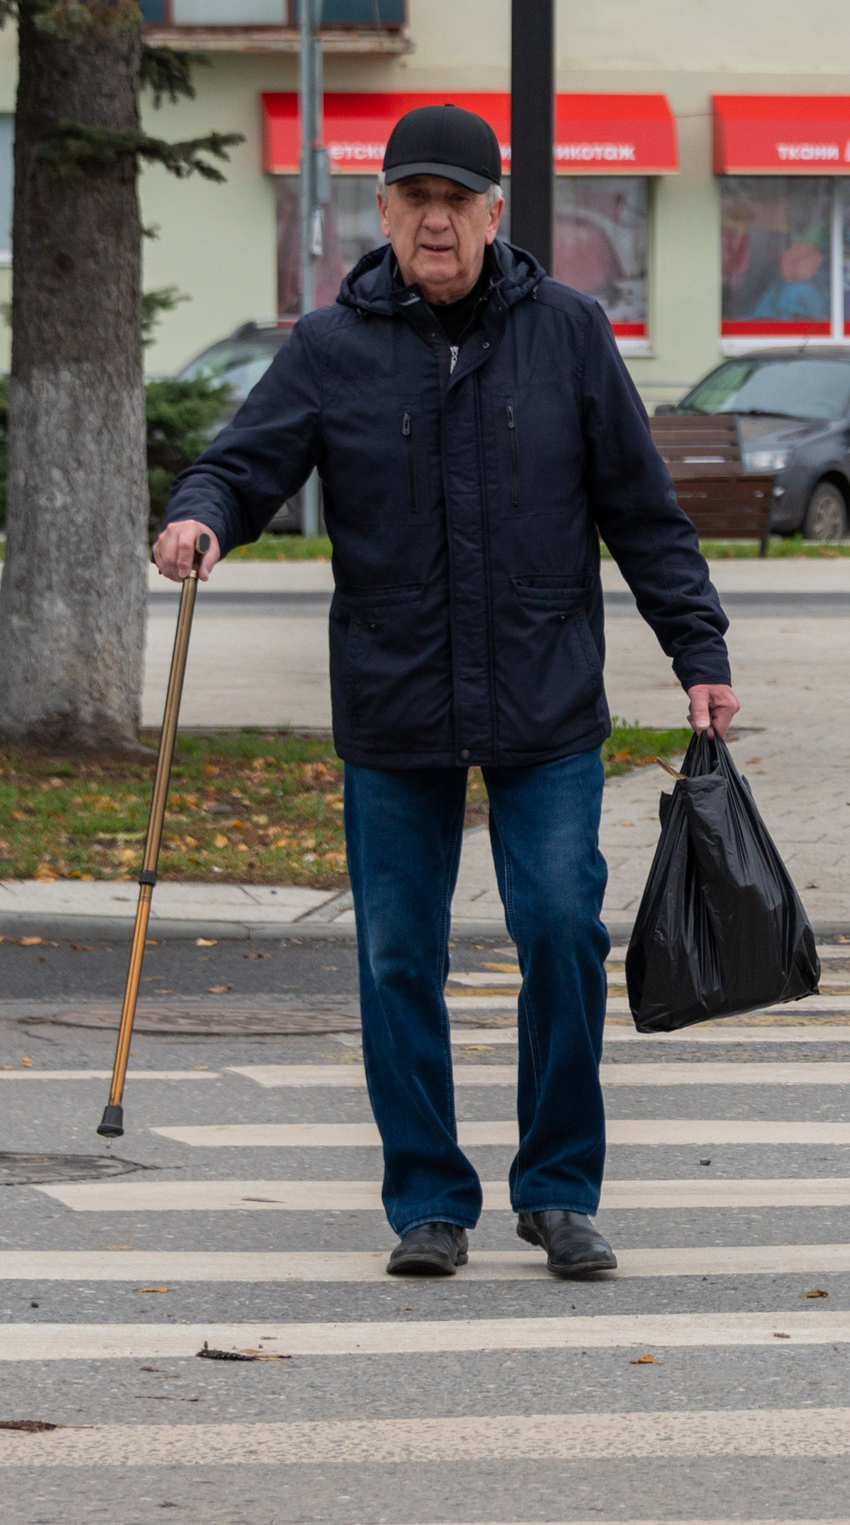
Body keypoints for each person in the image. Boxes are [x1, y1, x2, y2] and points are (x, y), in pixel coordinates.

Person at [154, 104, 737, 1278]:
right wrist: (200, 517)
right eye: (413, 196)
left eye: (455, 198)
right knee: (396, 956)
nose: (434, 217)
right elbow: (241, 461)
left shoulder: (568, 334)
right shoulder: (330, 346)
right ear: (381, 212)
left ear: (492, 212)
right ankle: (427, 1197)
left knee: (563, 930)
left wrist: (700, 650)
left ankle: (558, 1187)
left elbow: (640, 510)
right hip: (394, 695)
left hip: (545, 696)